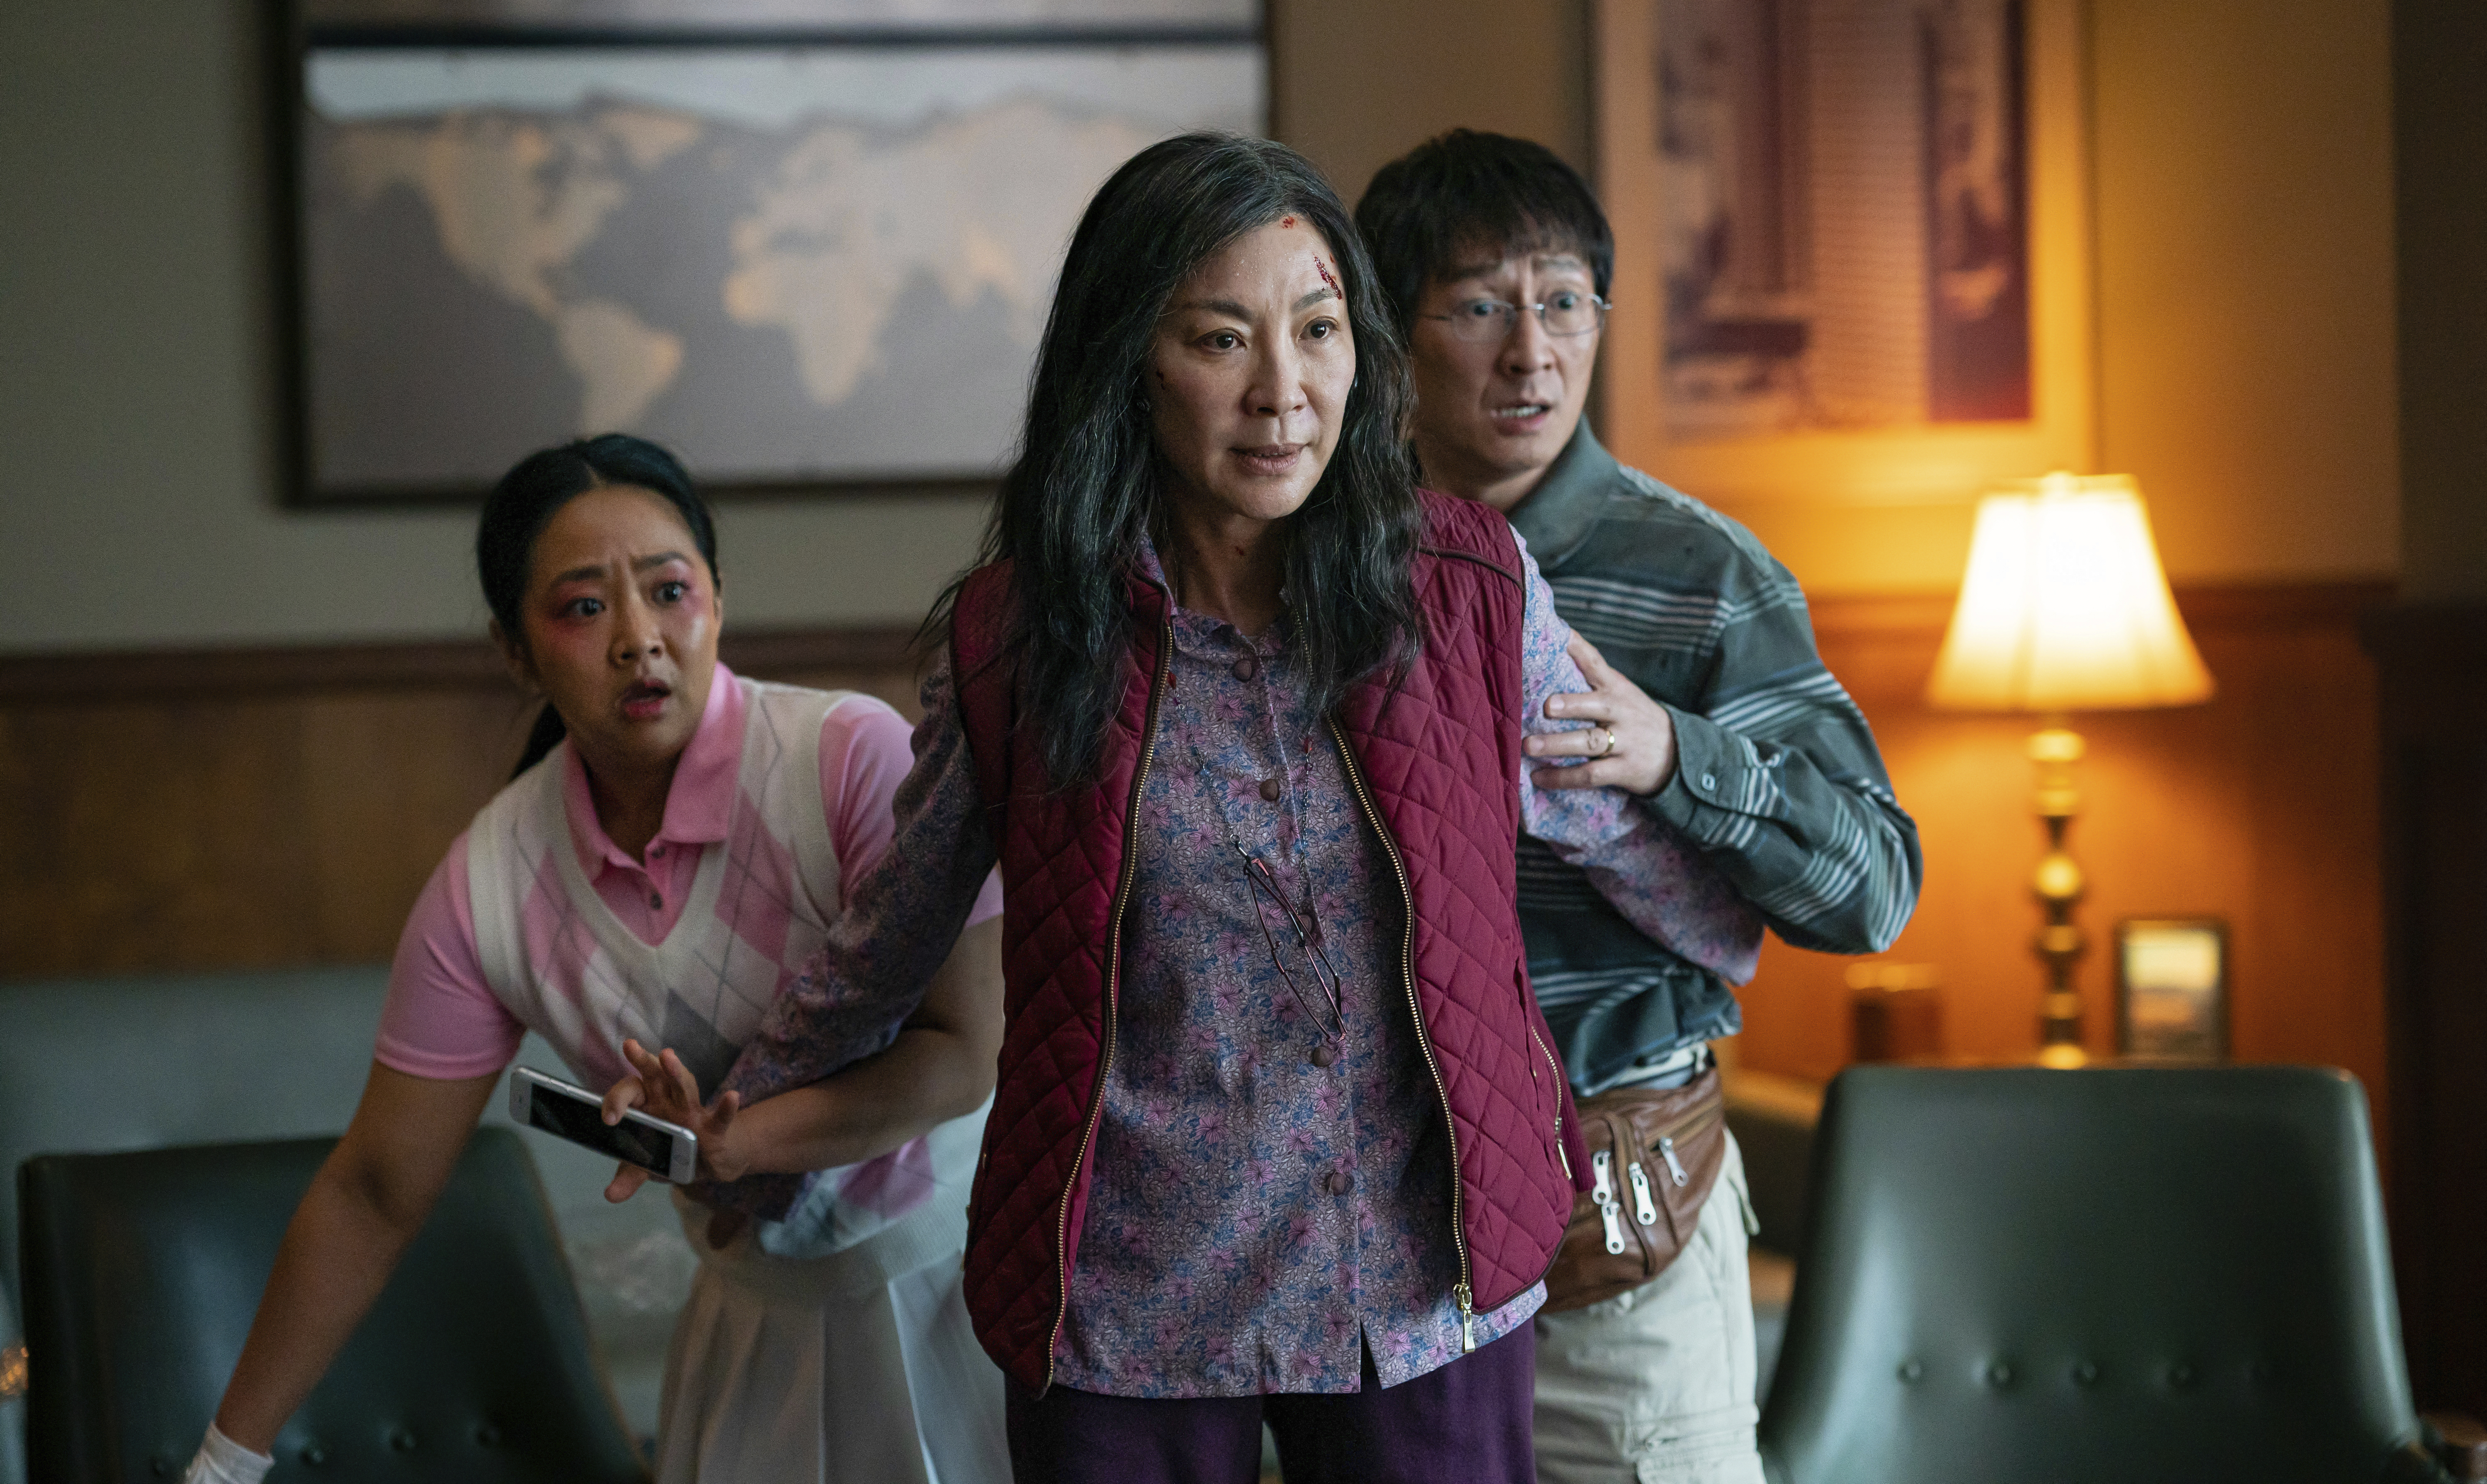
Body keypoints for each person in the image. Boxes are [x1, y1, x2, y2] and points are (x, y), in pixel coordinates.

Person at [630, 133, 1755, 1484]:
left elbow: (1604, 823)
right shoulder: (1024, 641)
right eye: (1223, 341)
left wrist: (1743, 917)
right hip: (1129, 1302)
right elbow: (891, 931)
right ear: (1130, 370)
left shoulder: (1466, 587)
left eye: (1321, 331)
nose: (1286, 394)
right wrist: (741, 1126)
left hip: (1417, 1289)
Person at [183, 434, 1011, 1484]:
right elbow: (376, 1189)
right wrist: (223, 1461)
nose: (639, 638)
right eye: (583, 608)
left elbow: (967, 1048)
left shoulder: (849, 759)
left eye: (671, 589)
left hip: (968, 1281)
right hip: (756, 1326)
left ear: (718, 596)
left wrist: (742, 1140)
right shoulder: (491, 881)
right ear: (515, 650)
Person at [1356, 130, 1922, 1483]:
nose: (1531, 353)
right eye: (1481, 306)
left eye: (1563, 304)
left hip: (1617, 1234)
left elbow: (1875, 891)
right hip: (1381, 1236)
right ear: (1390, 332)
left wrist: (1672, 754)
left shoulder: (1700, 574)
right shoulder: (1331, 562)